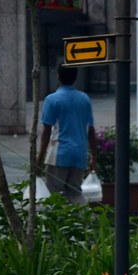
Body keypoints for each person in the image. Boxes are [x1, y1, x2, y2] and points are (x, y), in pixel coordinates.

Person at [37, 64, 96, 204]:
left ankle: (55, 224)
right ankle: (82, 223)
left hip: (59, 153)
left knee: (53, 194)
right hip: (79, 154)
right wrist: (94, 157)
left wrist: (39, 160)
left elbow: (46, 133)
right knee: (75, 193)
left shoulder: (52, 99)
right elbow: (91, 130)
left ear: (58, 77)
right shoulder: (84, 99)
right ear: (76, 78)